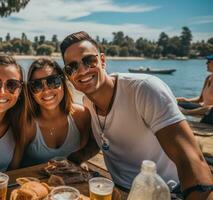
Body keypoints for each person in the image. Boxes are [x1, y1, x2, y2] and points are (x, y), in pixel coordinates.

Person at [60, 31, 213, 200]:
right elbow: (103, 140)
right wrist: (73, 159)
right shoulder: (87, 102)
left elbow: (192, 160)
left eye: (89, 60)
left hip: (165, 193)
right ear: (68, 75)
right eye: (72, 67)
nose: (82, 70)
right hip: (118, 191)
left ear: (102, 60)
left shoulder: (144, 90)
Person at [20, 58, 93, 167]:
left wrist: (81, 162)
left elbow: (87, 150)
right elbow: (14, 167)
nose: (46, 91)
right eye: (37, 85)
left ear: (63, 82)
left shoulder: (81, 115)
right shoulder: (27, 125)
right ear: (30, 91)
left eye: (53, 81)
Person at [177, 55, 213, 123]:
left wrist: (187, 112)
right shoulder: (208, 78)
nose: (206, 63)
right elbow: (200, 99)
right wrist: (186, 100)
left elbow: (210, 108)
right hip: (204, 108)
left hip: (210, 112)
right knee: (176, 104)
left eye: (209, 61)